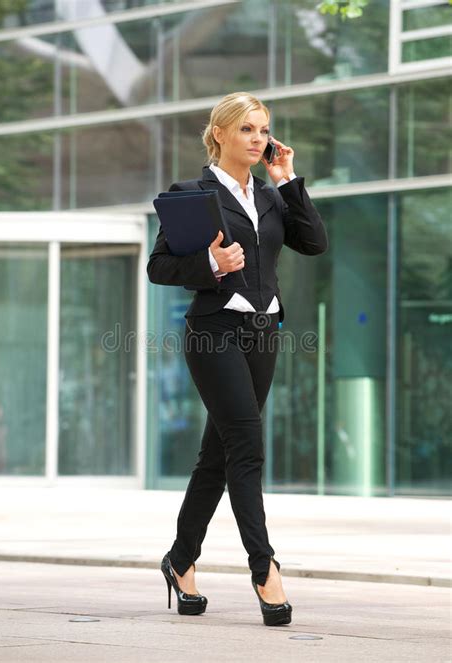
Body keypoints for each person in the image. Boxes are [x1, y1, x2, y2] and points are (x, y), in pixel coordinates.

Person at [147, 91, 328, 626]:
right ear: (220, 133)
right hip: (214, 331)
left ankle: (180, 562)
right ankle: (263, 567)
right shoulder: (191, 194)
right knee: (246, 443)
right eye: (247, 129)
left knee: (218, 456)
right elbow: (160, 267)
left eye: (264, 130)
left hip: (263, 330)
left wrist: (289, 179)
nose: (258, 139)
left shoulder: (272, 197)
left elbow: (314, 243)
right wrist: (209, 261)